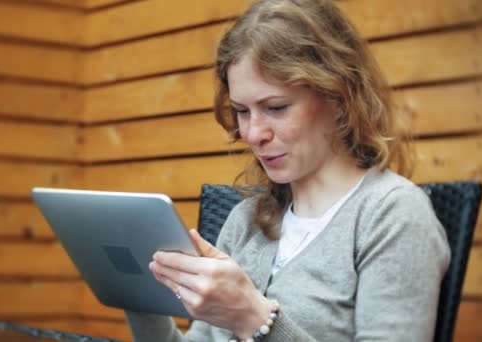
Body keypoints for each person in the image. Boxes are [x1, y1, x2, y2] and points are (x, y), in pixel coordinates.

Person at [125, 0, 450, 340]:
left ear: (339, 97)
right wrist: (136, 292)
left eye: (276, 107)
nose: (253, 134)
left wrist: (254, 318)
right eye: (242, 111)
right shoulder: (245, 221)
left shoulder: (391, 214)